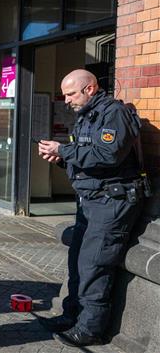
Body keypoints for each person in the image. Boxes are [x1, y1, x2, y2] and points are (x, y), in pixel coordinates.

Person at [37, 69, 147, 347]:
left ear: (90, 89)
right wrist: (60, 158)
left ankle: (91, 328)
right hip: (90, 199)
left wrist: (64, 151)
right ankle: (72, 315)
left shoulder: (113, 114)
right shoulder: (86, 117)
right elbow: (88, 157)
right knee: (77, 259)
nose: (66, 100)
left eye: (71, 93)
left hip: (112, 201)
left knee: (94, 262)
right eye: (64, 94)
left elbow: (109, 155)